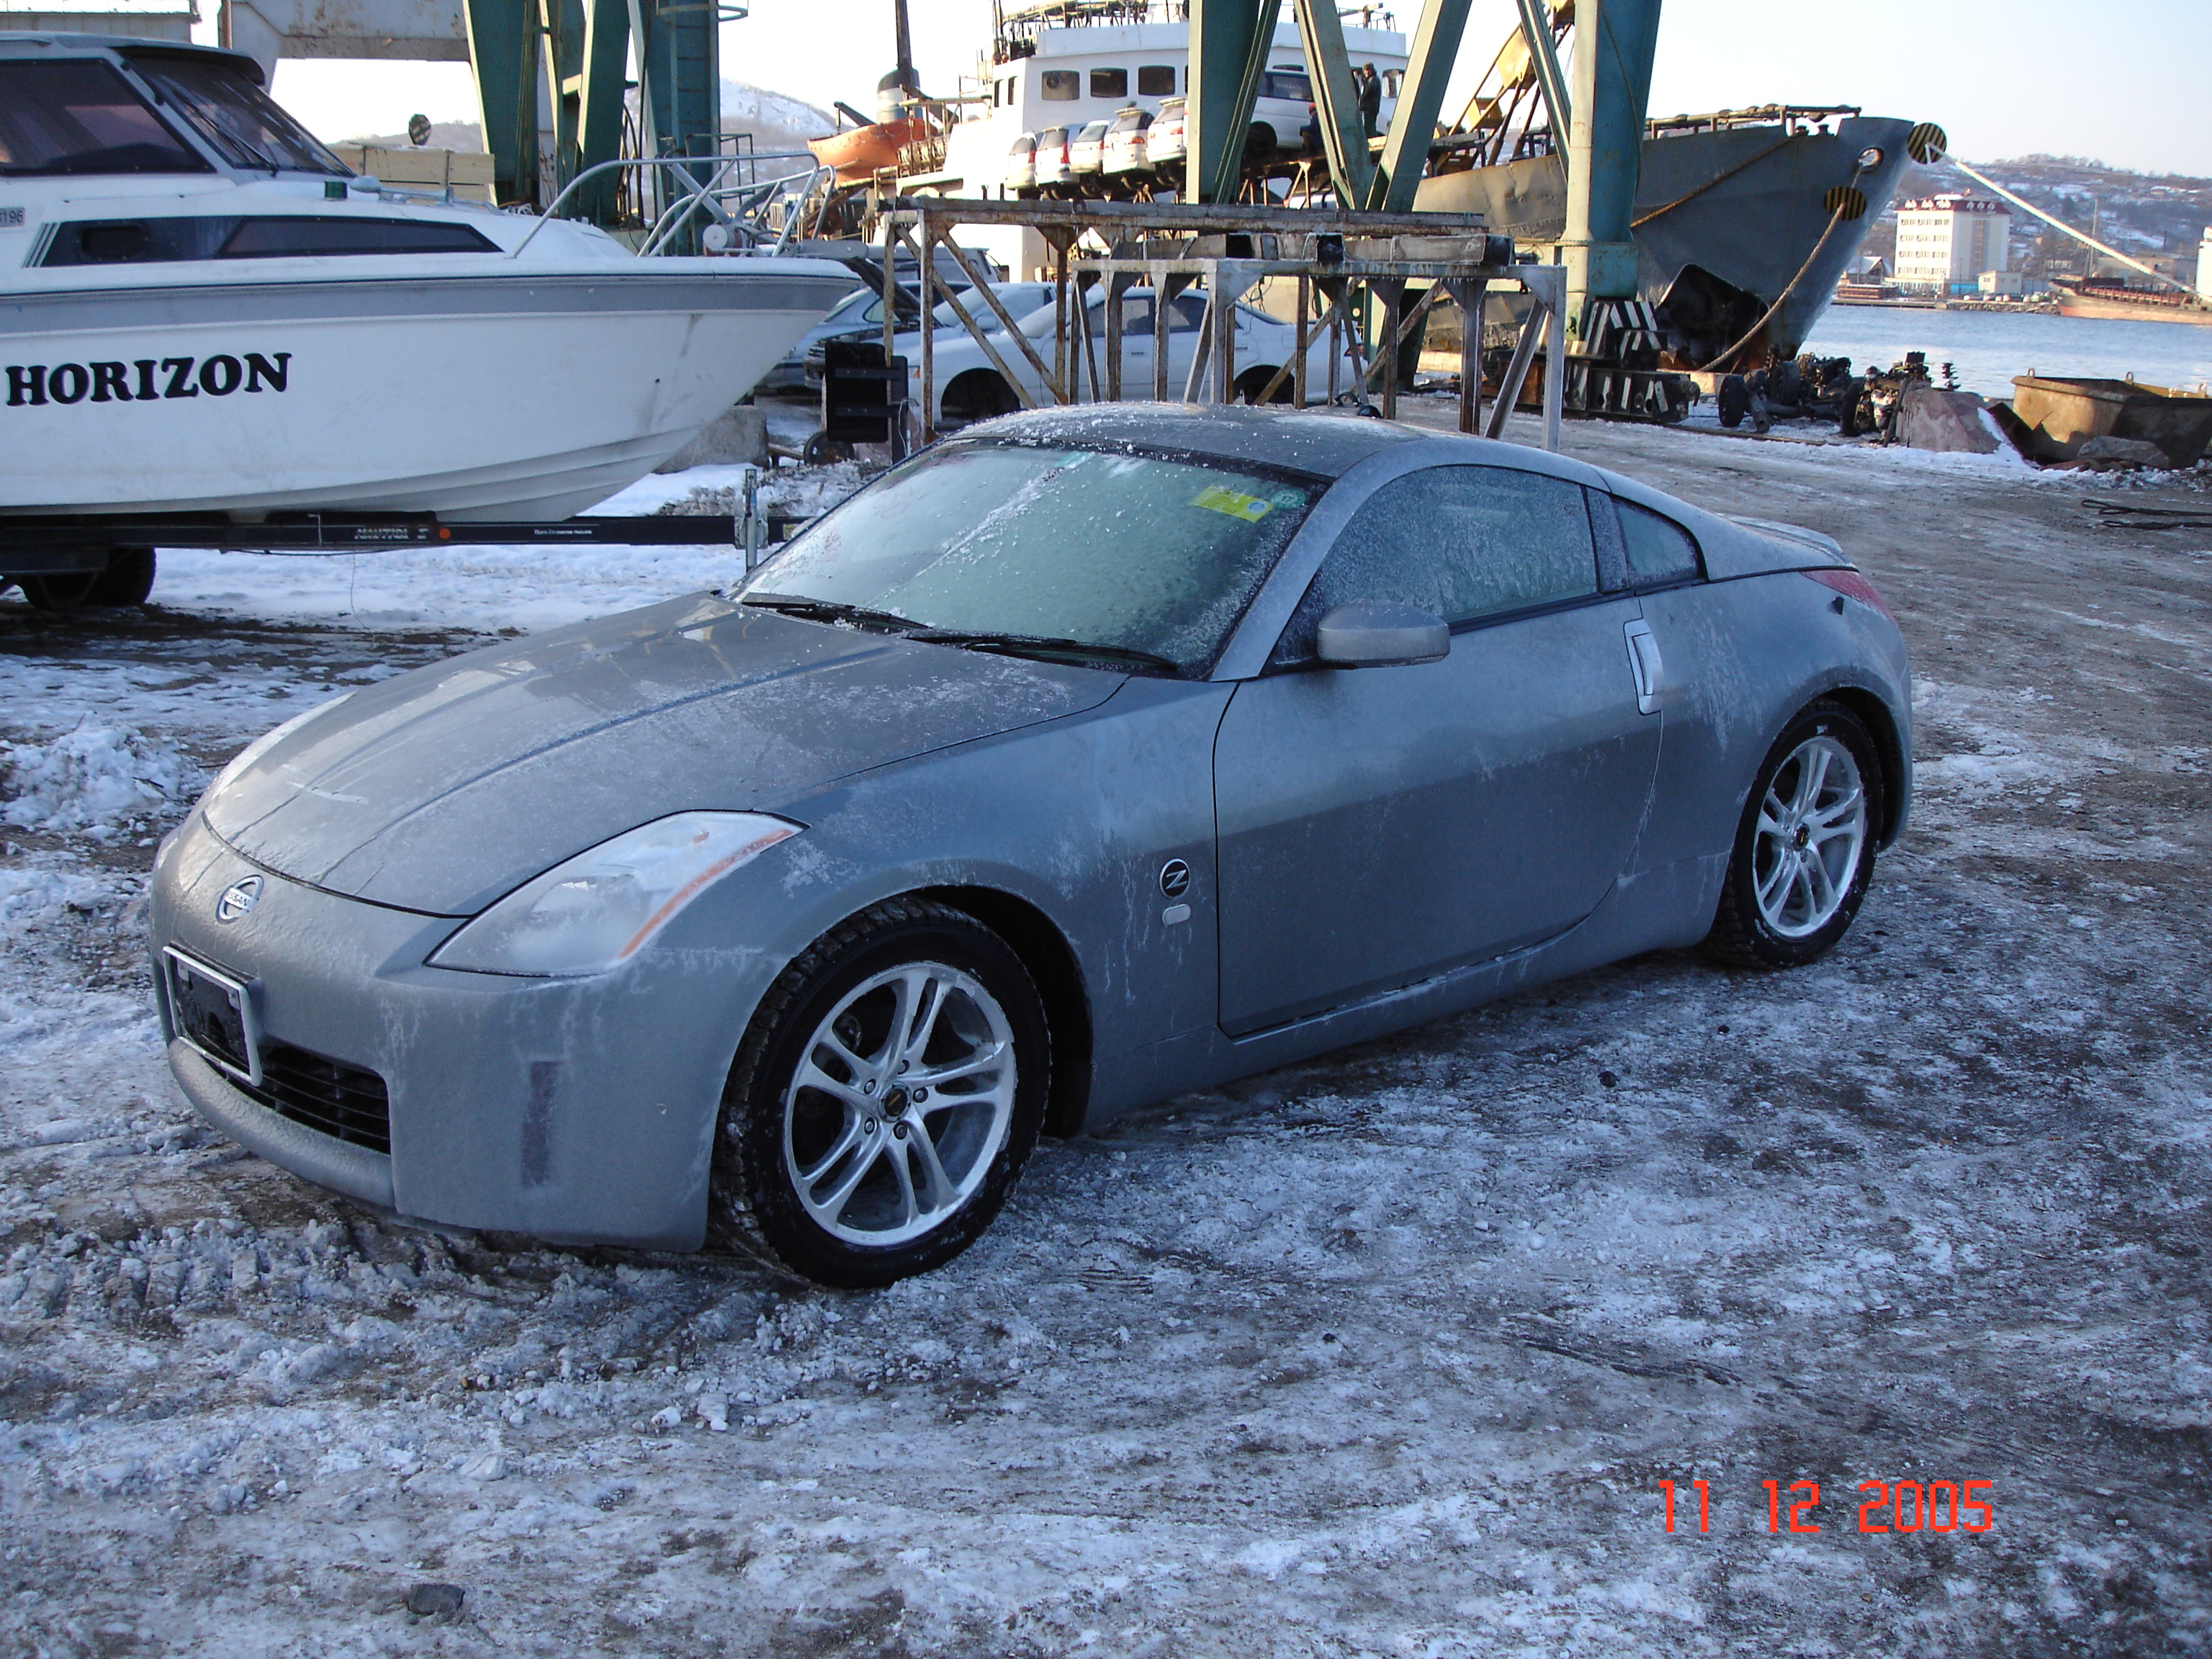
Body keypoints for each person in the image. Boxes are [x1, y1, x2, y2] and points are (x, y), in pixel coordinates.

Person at [1357, 63, 1381, 138]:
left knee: (1369, 126)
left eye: (1369, 70)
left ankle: (1372, 140)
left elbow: (1368, 92)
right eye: (1366, 70)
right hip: (1371, 107)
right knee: (1369, 125)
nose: (1367, 72)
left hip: (1370, 107)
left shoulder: (1373, 80)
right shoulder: (1372, 79)